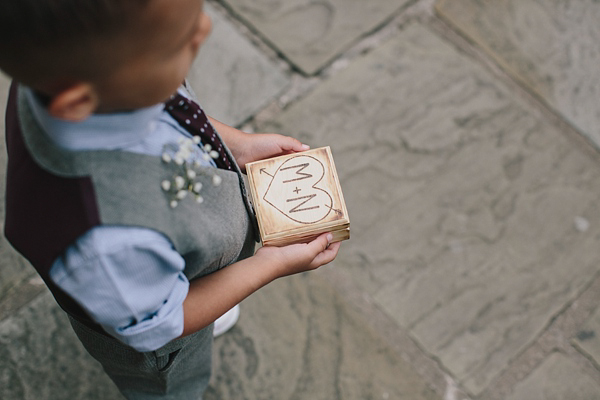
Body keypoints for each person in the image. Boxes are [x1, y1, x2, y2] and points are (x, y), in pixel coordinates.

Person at [0, 0, 342, 398]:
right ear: (78, 102)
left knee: (204, 289)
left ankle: (209, 286)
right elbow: (165, 321)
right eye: (178, 45)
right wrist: (271, 263)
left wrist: (239, 144)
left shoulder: (94, 80)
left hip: (187, 244)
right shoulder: (106, 243)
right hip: (165, 340)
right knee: (173, 386)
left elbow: (174, 112)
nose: (206, 28)